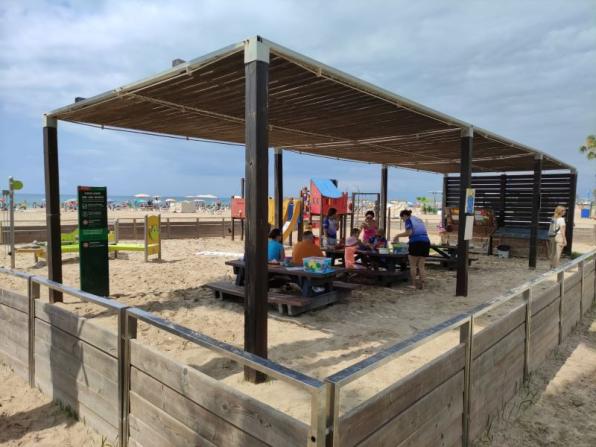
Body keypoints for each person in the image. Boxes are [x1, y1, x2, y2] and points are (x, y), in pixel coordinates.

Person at [393, 209, 430, 289]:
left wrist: (397, 235)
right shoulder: (418, 219)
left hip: (416, 243)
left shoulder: (408, 220)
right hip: (426, 242)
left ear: (405, 216)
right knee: (421, 266)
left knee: (413, 265)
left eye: (402, 218)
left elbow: (409, 233)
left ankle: (413, 284)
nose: (403, 220)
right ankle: (422, 285)